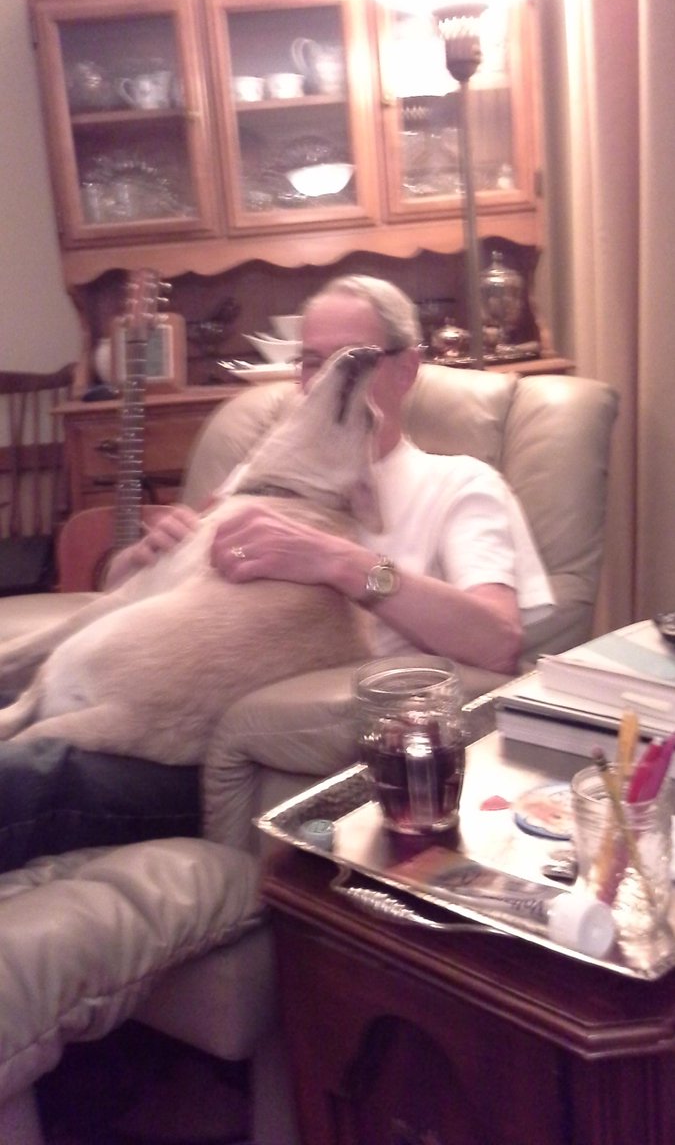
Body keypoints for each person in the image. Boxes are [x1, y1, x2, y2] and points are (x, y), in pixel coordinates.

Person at [0, 275, 553, 871]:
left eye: (351, 360)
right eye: (310, 362)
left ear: (406, 368)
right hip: (130, 687)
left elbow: (498, 641)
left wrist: (339, 562)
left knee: (27, 778)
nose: (323, 380)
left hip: (206, 755)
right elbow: (139, 613)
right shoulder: (260, 476)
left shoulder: (459, 485)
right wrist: (140, 562)